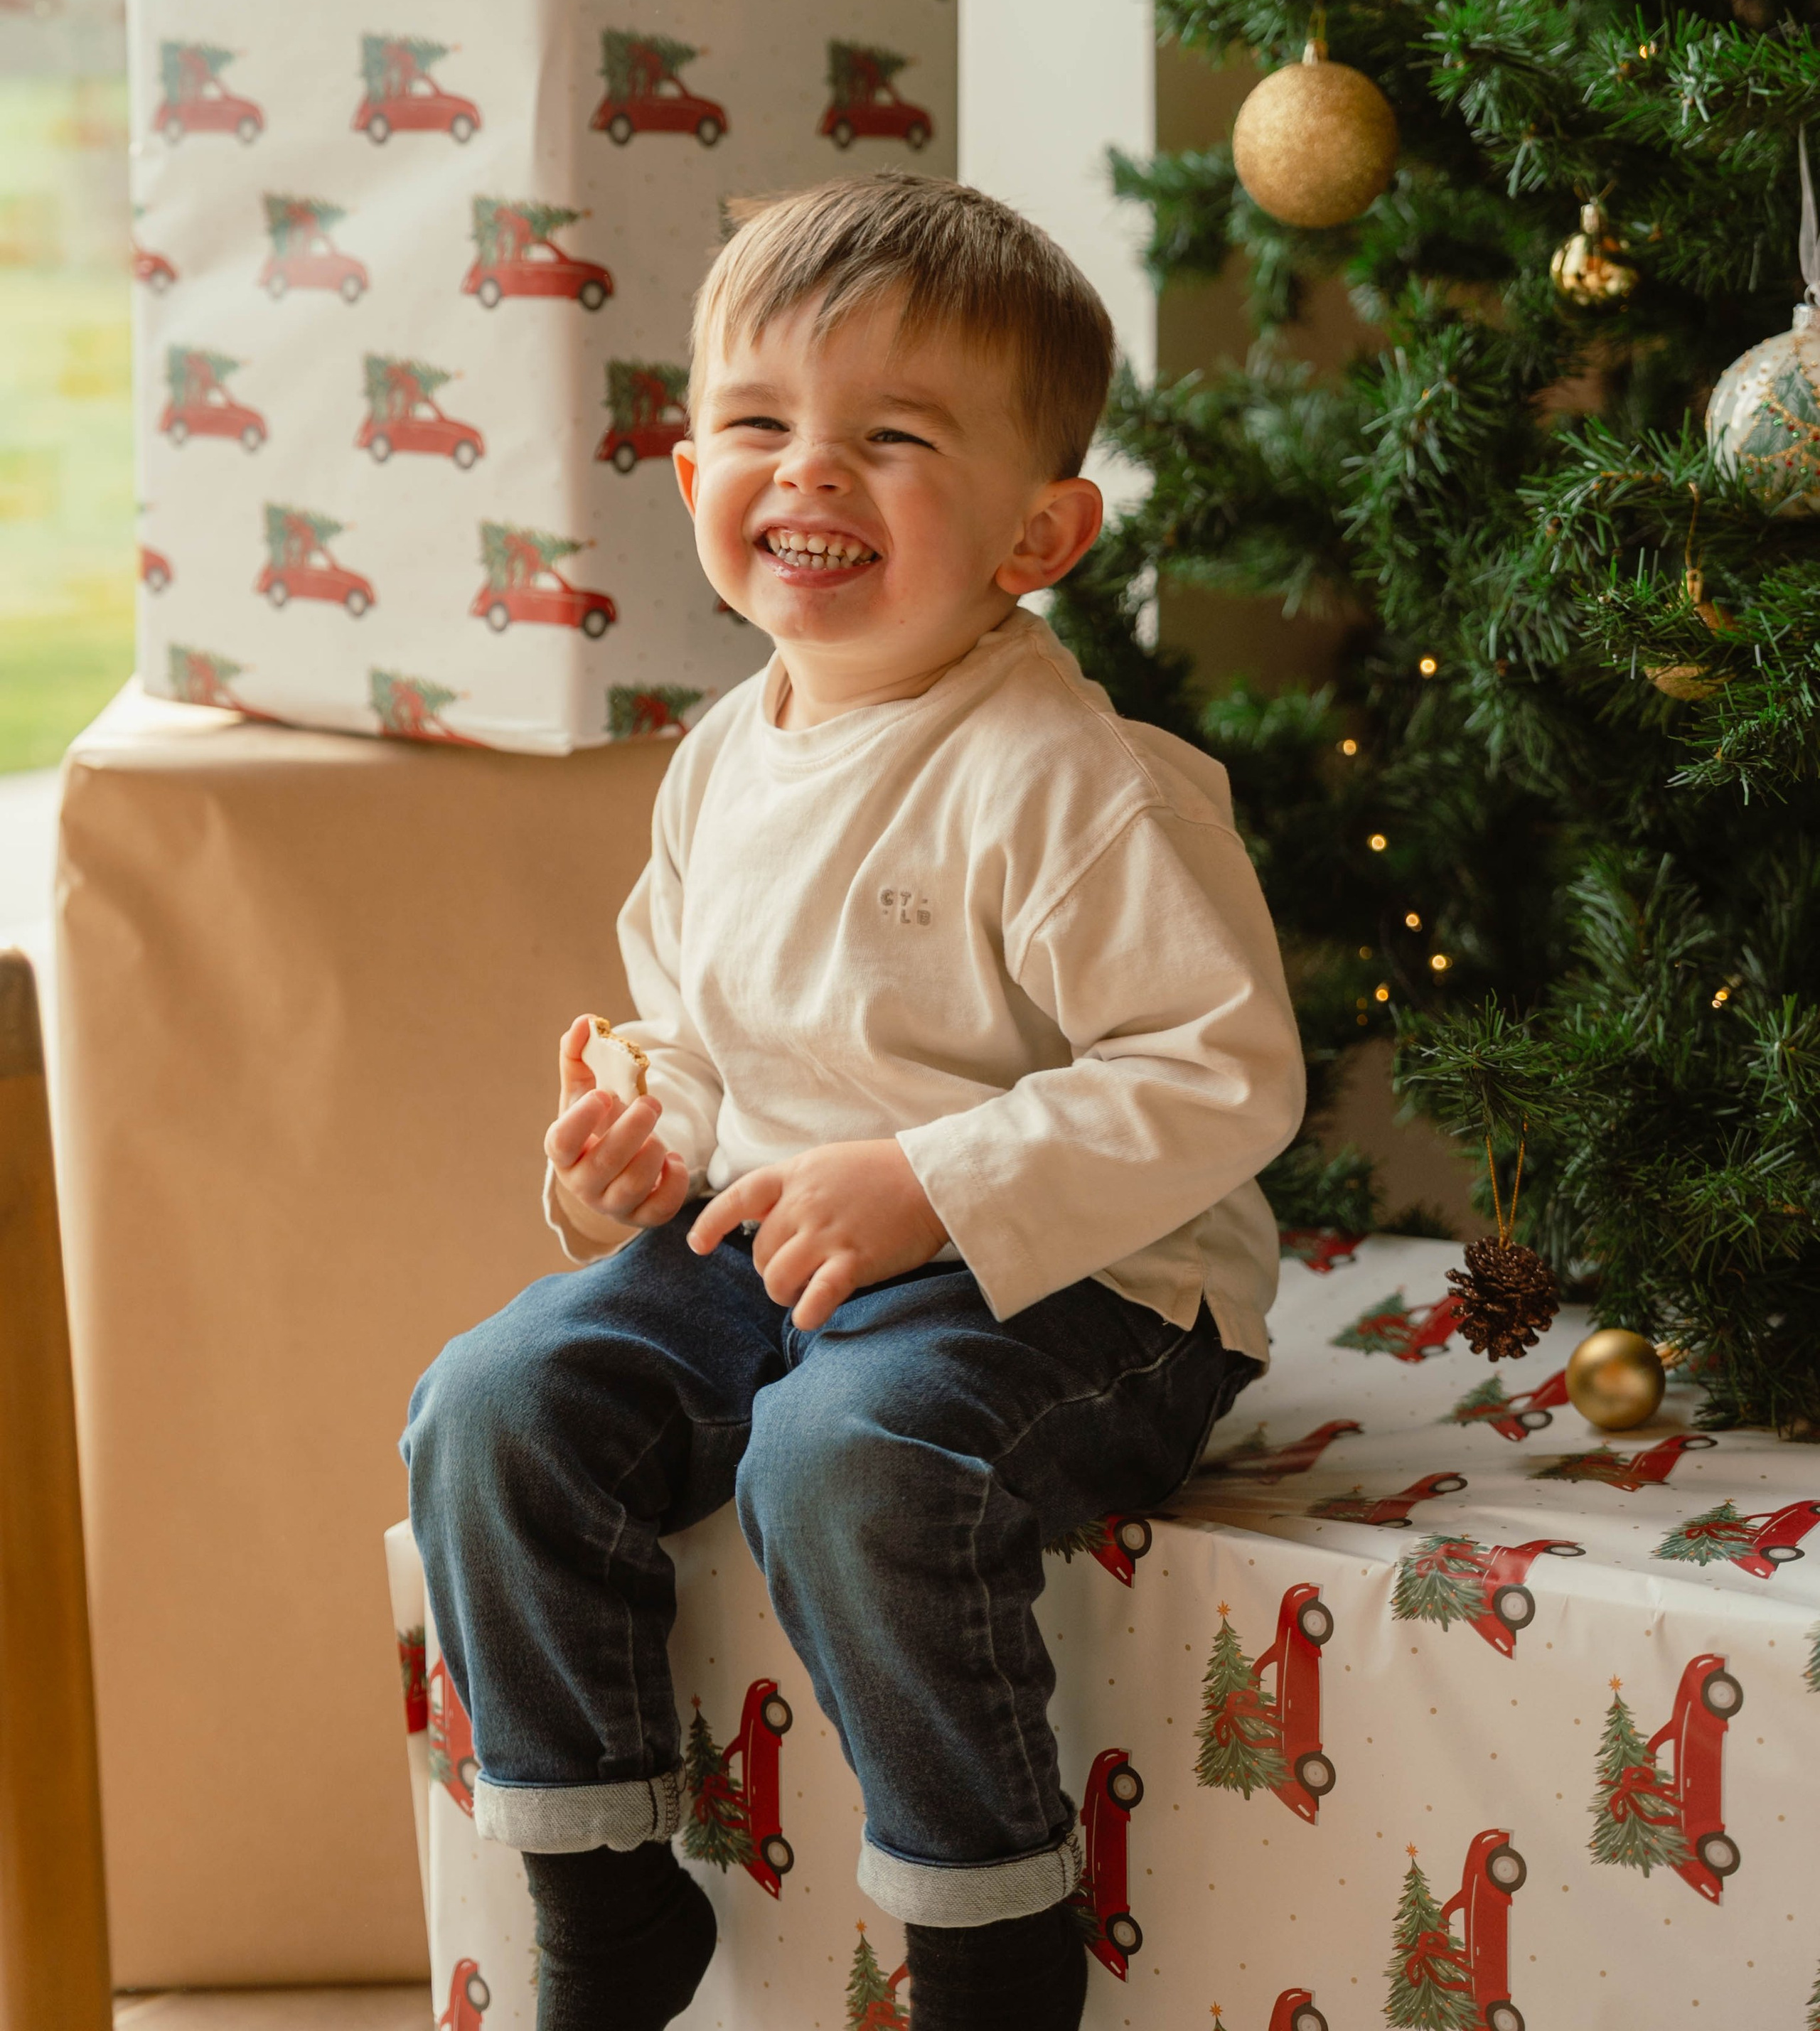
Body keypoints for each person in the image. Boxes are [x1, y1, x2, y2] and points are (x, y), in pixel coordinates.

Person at [405, 173, 1305, 2031]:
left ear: (1037, 532)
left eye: (889, 440)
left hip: (1090, 1294)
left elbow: (1224, 1075)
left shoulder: (1074, 784)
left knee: (848, 1453)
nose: (806, 475)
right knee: (495, 1398)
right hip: (779, 1240)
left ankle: (986, 1930)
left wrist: (931, 1178)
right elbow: (696, 1026)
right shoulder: (733, 750)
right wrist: (629, 1148)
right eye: (757, 426)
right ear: (690, 479)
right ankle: (599, 1884)